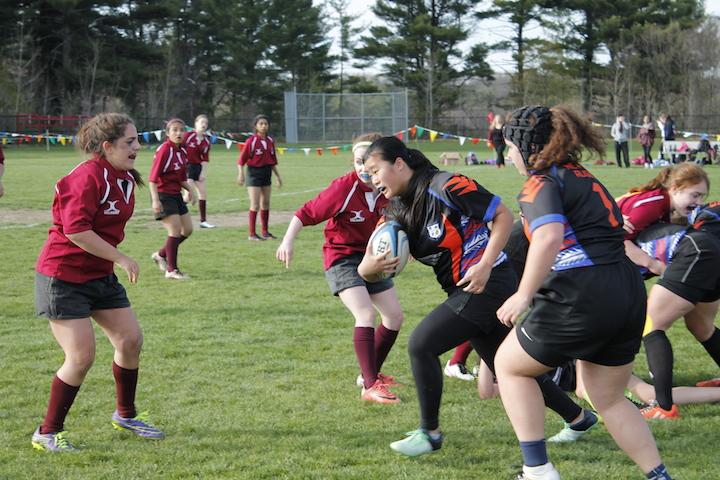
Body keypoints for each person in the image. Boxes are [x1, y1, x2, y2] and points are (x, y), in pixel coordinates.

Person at [358, 136, 597, 458]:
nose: (371, 179)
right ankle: (579, 418)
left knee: (421, 344)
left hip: (490, 282)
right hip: (462, 289)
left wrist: (485, 263)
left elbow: (502, 216)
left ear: (399, 164)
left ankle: (430, 432)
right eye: (367, 173)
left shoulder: (446, 184)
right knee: (506, 363)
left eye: (375, 171)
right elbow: (367, 268)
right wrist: (369, 267)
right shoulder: (395, 210)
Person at [494, 105, 670, 480]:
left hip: (581, 292)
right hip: (626, 290)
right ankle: (659, 476)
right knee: (607, 398)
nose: (509, 156)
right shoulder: (582, 175)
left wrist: (523, 294)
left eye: (510, 147)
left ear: (527, 148)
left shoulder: (540, 182)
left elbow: (548, 238)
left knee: (508, 366)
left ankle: (537, 470)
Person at [31, 113, 164, 452]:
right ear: (107, 146)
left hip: (98, 274)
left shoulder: (122, 177)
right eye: (129, 142)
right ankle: (47, 433)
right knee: (81, 356)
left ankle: (126, 415)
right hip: (63, 276)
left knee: (131, 340)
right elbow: (75, 229)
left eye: (137, 140)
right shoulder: (87, 176)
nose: (137, 146)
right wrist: (120, 257)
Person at [275, 133, 405, 404]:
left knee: (394, 316)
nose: (362, 168)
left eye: (367, 162)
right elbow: (304, 213)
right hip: (342, 258)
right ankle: (370, 386)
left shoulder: (388, 189)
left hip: (371, 258)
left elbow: (400, 222)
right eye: (358, 161)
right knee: (365, 313)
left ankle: (368, 374)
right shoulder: (344, 188)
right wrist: (288, 241)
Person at [149, 118, 195, 280]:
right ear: (167, 133)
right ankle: (172, 270)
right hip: (163, 194)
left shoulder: (182, 150)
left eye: (181, 130)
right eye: (174, 130)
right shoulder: (165, 150)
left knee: (187, 230)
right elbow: (153, 179)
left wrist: (190, 190)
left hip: (176, 194)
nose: (178, 133)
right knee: (174, 230)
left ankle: (161, 255)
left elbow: (182, 178)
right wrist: (155, 200)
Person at [237, 114, 282, 241]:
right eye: (261, 123)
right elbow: (241, 161)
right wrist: (241, 174)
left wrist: (278, 177)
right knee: (255, 204)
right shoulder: (251, 141)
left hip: (266, 173)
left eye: (266, 124)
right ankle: (252, 234)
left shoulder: (270, 141)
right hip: (253, 173)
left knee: (266, 203)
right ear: (256, 126)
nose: (263, 126)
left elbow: (272, 162)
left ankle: (265, 232)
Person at [183, 114, 215, 228]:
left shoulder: (207, 140)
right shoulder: (188, 136)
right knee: (188, 196)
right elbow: (179, 148)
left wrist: (203, 173)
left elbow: (205, 158)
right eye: (202, 122)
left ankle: (203, 221)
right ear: (195, 124)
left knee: (203, 193)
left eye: (206, 123)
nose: (204, 125)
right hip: (187, 167)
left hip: (198, 167)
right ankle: (175, 214)